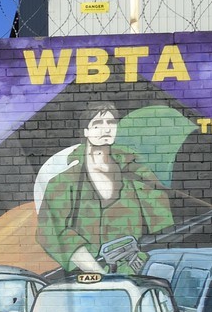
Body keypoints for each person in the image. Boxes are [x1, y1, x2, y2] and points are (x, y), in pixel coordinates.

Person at [37, 101, 173, 274]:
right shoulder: (63, 183)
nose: (106, 129)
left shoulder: (137, 172)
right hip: (88, 277)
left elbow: (163, 224)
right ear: (85, 131)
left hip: (139, 270)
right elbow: (51, 232)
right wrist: (97, 273)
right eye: (97, 124)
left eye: (111, 123)